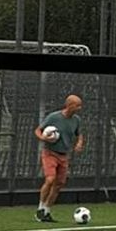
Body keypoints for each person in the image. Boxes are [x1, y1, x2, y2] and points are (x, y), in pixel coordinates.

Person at [33, 93, 84, 222]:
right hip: (50, 153)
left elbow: (79, 134)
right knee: (50, 179)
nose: (80, 108)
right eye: (77, 105)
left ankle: (47, 211)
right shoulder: (54, 117)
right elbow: (38, 130)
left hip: (64, 156)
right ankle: (40, 209)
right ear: (69, 105)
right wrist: (43, 138)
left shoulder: (76, 120)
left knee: (58, 185)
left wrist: (79, 143)